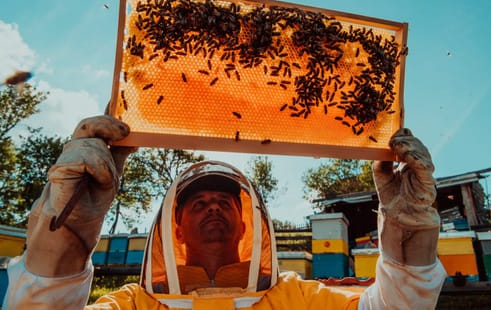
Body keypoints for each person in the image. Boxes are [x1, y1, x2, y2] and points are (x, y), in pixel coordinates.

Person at [3, 115, 447, 309]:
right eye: (198, 202)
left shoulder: (298, 298)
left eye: (223, 202)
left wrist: (407, 226)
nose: (212, 207)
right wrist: (64, 235)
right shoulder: (133, 305)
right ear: (175, 226)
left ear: (247, 222)